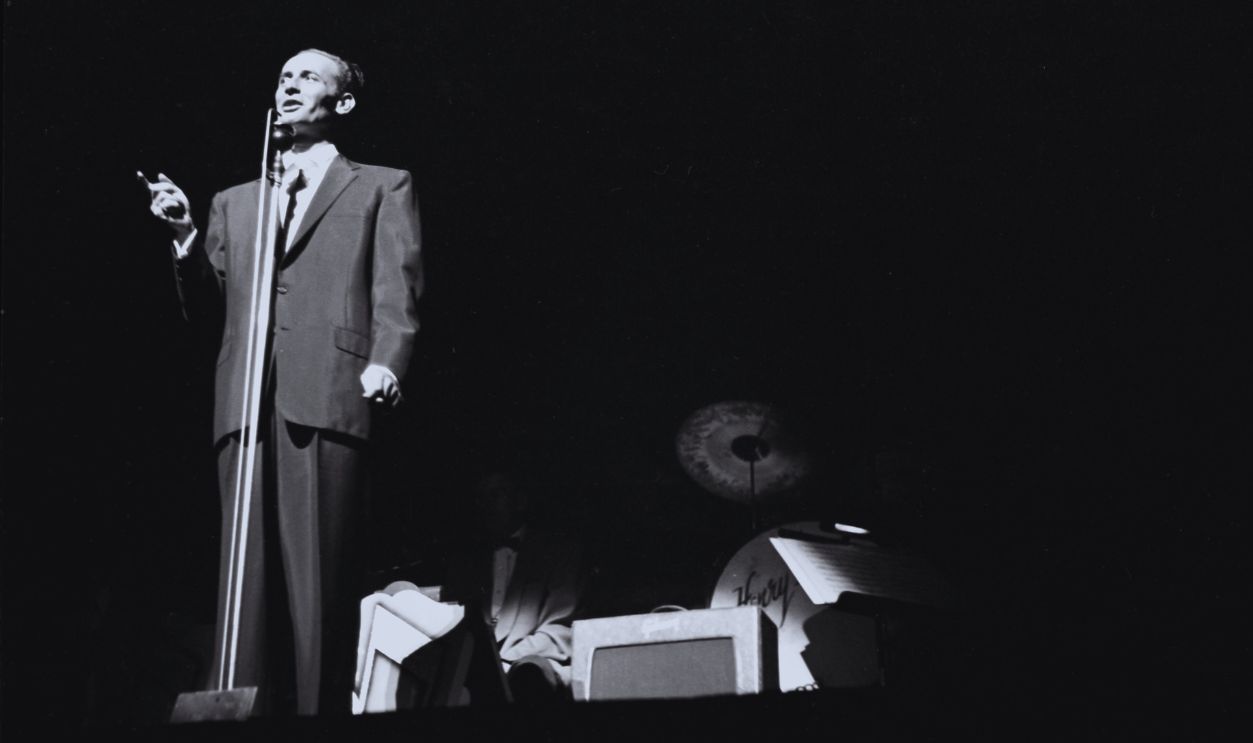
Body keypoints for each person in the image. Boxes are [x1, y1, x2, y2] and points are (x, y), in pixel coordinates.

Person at [140, 48, 423, 716]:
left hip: (328, 392)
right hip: (243, 402)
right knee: (243, 584)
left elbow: (396, 285)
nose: (289, 85)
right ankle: (237, 708)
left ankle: (318, 713)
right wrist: (183, 232)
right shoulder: (235, 202)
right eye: (283, 76)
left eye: (308, 77)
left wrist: (386, 358)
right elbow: (210, 310)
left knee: (316, 585)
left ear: (342, 102)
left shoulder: (382, 184)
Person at [441, 463, 587, 702]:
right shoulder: (465, 561)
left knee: (531, 676)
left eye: (496, 494)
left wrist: (502, 664)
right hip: (473, 676)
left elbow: (559, 630)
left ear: (521, 501)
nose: (486, 505)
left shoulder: (560, 552)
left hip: (531, 670)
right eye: (481, 498)